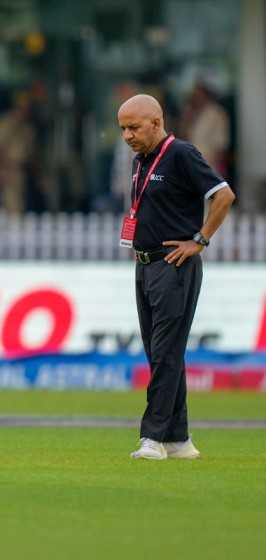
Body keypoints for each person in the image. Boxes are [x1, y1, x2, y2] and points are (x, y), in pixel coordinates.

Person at [117, 94, 235, 460]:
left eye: (133, 127)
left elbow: (224, 195)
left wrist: (199, 240)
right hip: (144, 263)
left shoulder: (181, 154)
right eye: (122, 129)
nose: (127, 136)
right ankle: (179, 439)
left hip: (174, 265)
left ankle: (152, 438)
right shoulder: (142, 161)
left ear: (155, 122)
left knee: (166, 352)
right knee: (160, 353)